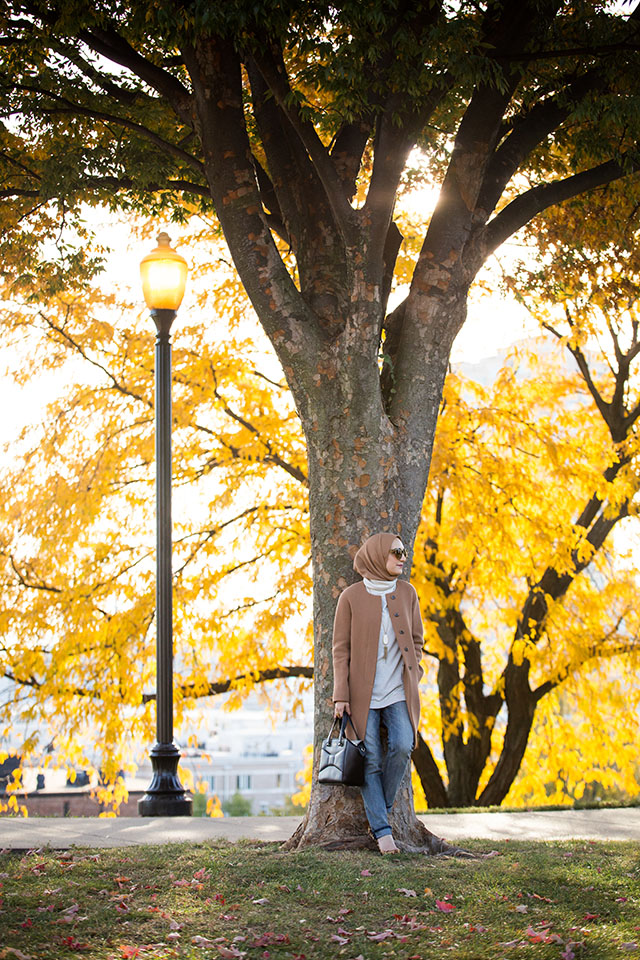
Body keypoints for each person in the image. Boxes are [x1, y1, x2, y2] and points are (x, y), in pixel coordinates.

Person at [332, 532, 425, 854]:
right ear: (376, 555)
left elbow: (417, 640)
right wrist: (341, 695)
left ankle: (379, 808)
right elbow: (340, 649)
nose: (402, 558)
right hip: (362, 695)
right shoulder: (350, 597)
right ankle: (383, 831)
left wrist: (415, 672)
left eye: (403, 552)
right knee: (369, 757)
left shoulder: (408, 593)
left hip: (398, 690)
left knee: (402, 745)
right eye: (395, 552)